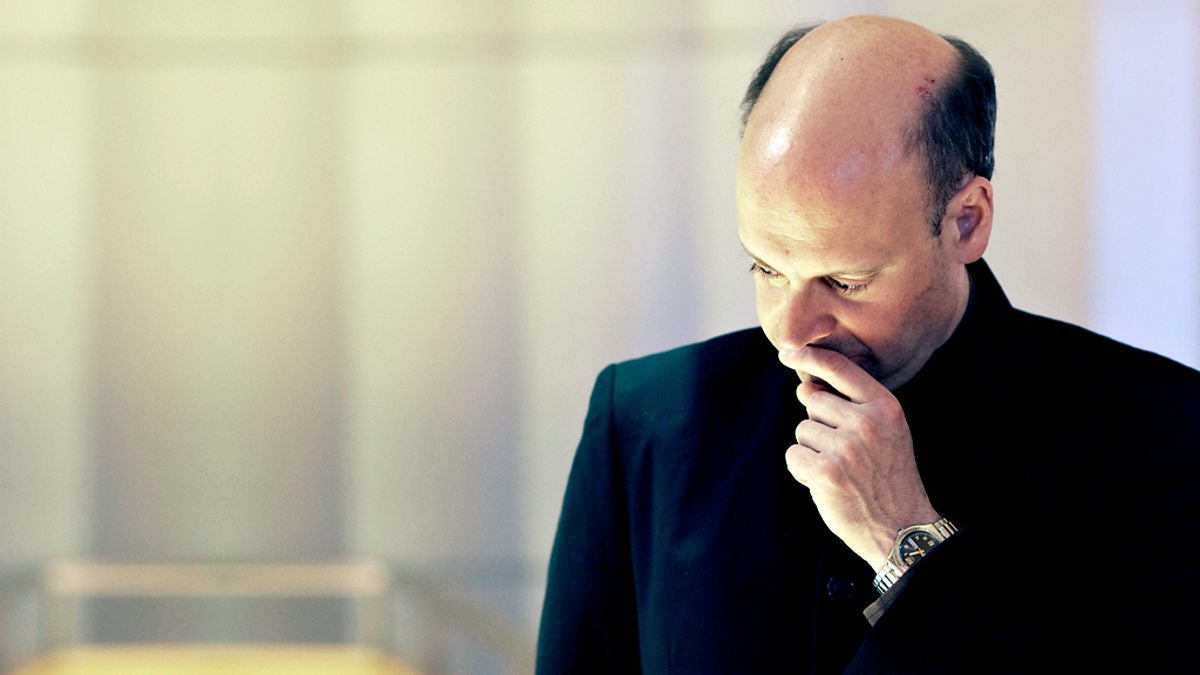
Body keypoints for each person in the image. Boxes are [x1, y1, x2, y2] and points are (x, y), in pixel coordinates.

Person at [537, 15, 1200, 674]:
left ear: (966, 222)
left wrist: (905, 542)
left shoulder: (1162, 435)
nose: (790, 331)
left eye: (846, 281)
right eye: (766, 269)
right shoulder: (644, 424)